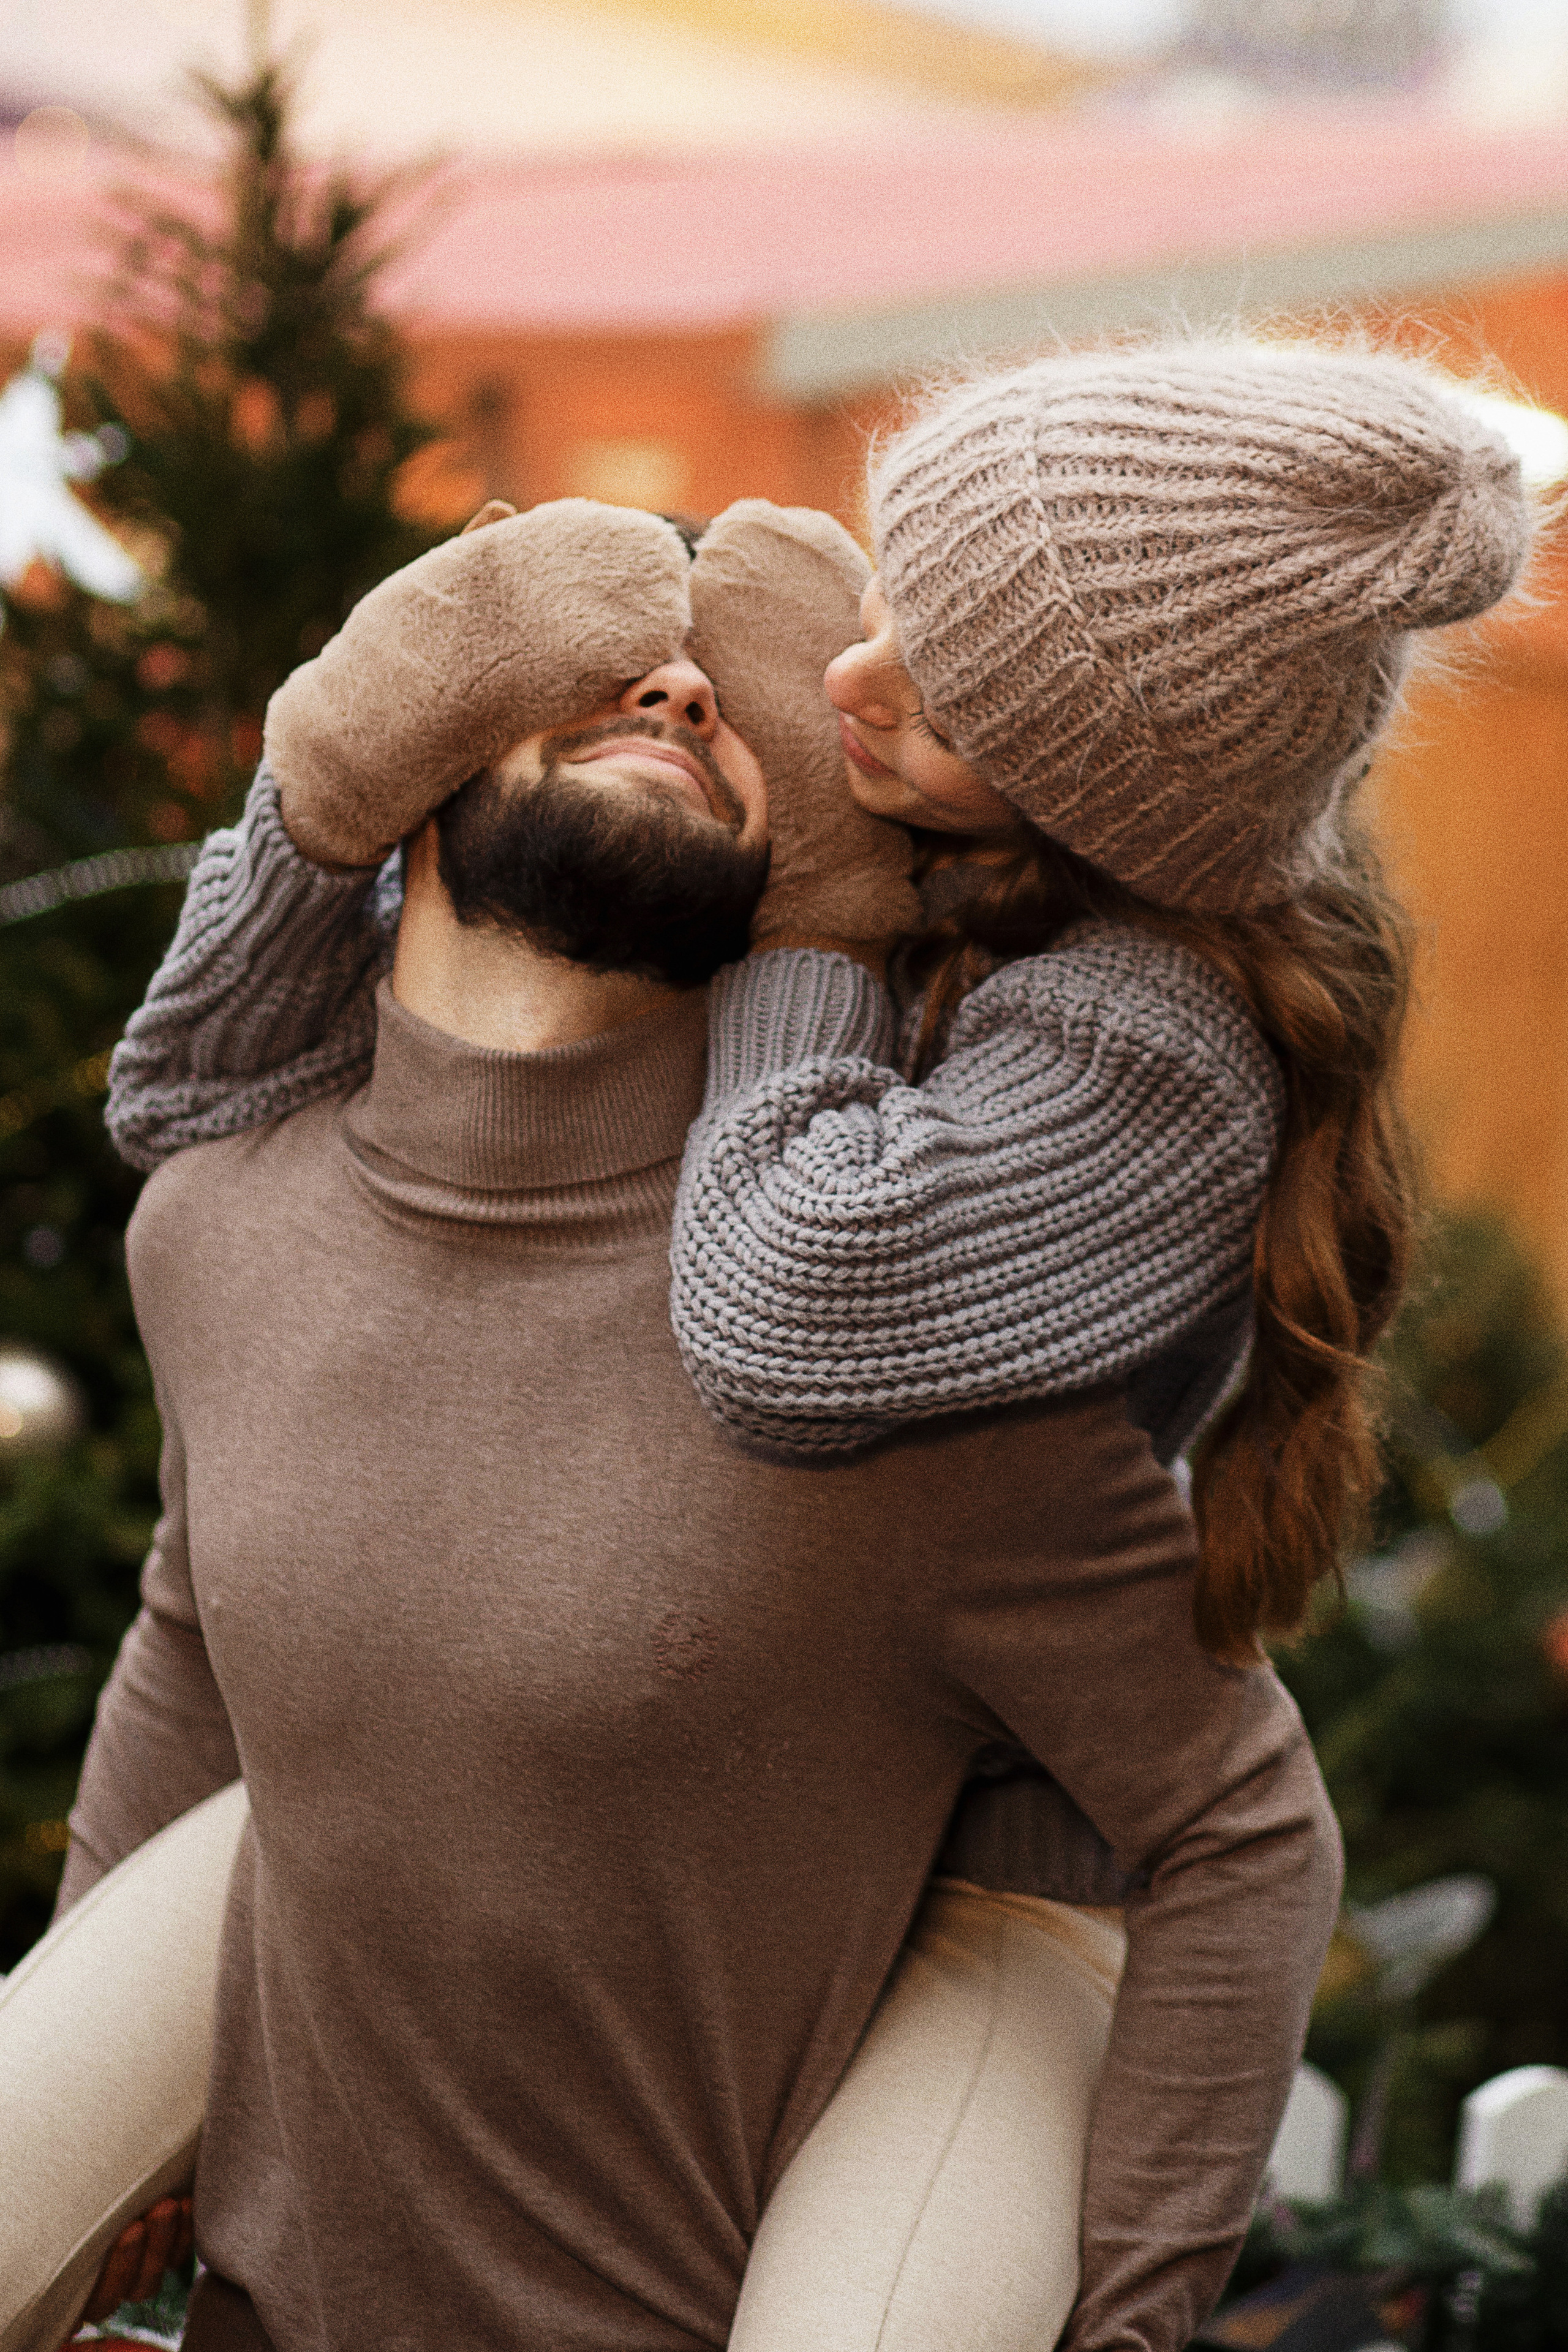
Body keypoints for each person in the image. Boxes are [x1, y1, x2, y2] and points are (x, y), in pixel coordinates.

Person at [28, 491, 1336, 2352]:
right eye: (599, 667)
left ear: (813, 866)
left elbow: (1239, 1825)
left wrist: (1129, 2316)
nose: (678, 693)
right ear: (419, 750)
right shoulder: (216, 1226)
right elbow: (187, 1641)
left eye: (738, 706)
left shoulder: (887, 1345)